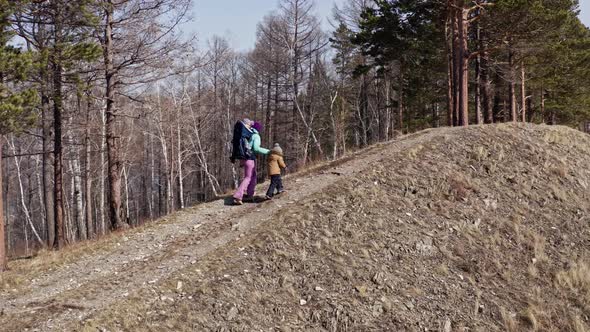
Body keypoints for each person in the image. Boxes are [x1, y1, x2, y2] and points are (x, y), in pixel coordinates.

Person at [232, 121, 270, 205]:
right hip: (249, 159)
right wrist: (269, 152)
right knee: (248, 177)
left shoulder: (249, 134)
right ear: (258, 129)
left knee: (253, 176)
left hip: (245, 158)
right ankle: (238, 196)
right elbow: (256, 148)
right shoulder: (256, 136)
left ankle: (250, 194)